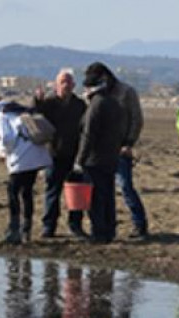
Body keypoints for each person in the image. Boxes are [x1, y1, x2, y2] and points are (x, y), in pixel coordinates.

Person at [82, 62, 149, 238]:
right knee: (103, 190)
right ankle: (104, 227)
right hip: (101, 151)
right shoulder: (94, 96)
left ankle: (139, 223)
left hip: (120, 149)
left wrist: (128, 142)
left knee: (125, 187)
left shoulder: (126, 92)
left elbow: (136, 119)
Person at [0, 93, 52, 244]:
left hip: (21, 159)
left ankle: (14, 229)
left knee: (13, 192)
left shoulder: (2, 115)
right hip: (36, 156)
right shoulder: (16, 108)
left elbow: (7, 139)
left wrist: (1, 150)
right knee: (27, 192)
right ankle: (27, 229)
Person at [32, 70, 88, 238]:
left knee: (76, 193)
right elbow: (35, 118)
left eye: (69, 82)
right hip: (53, 155)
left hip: (74, 155)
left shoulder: (80, 105)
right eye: (63, 82)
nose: (66, 85)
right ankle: (49, 226)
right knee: (52, 192)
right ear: (56, 85)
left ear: (74, 85)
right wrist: (37, 101)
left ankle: (75, 225)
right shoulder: (49, 103)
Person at [75, 67, 125, 244]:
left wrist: (80, 160)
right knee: (108, 195)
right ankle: (109, 230)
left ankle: (99, 233)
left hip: (95, 159)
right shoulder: (114, 102)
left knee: (96, 198)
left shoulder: (96, 105)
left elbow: (89, 134)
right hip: (111, 156)